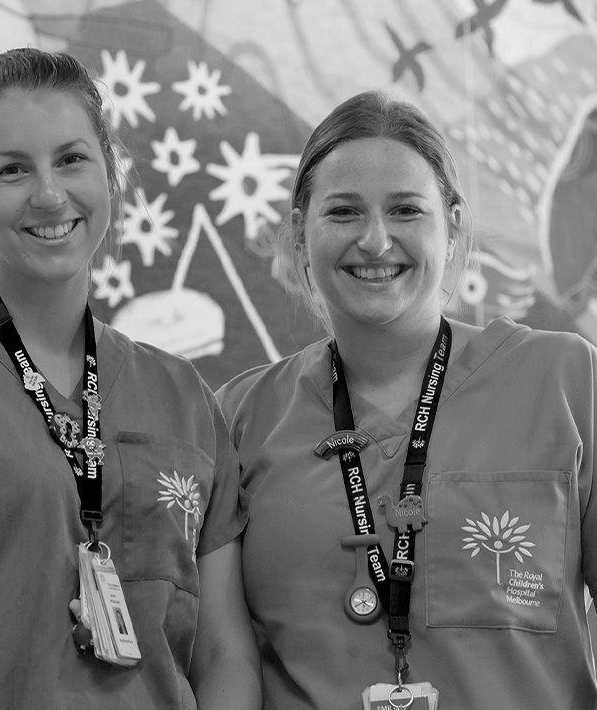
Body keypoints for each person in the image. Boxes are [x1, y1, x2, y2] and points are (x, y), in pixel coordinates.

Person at [0, 48, 260, 710]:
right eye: (12, 169)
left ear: (109, 175)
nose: (48, 194)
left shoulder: (184, 397)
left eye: (71, 159)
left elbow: (224, 653)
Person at [216, 90, 597, 709]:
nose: (374, 241)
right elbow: (219, 658)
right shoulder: (238, 418)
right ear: (301, 235)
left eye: (405, 210)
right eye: (344, 212)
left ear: (453, 225)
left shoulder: (565, 381)